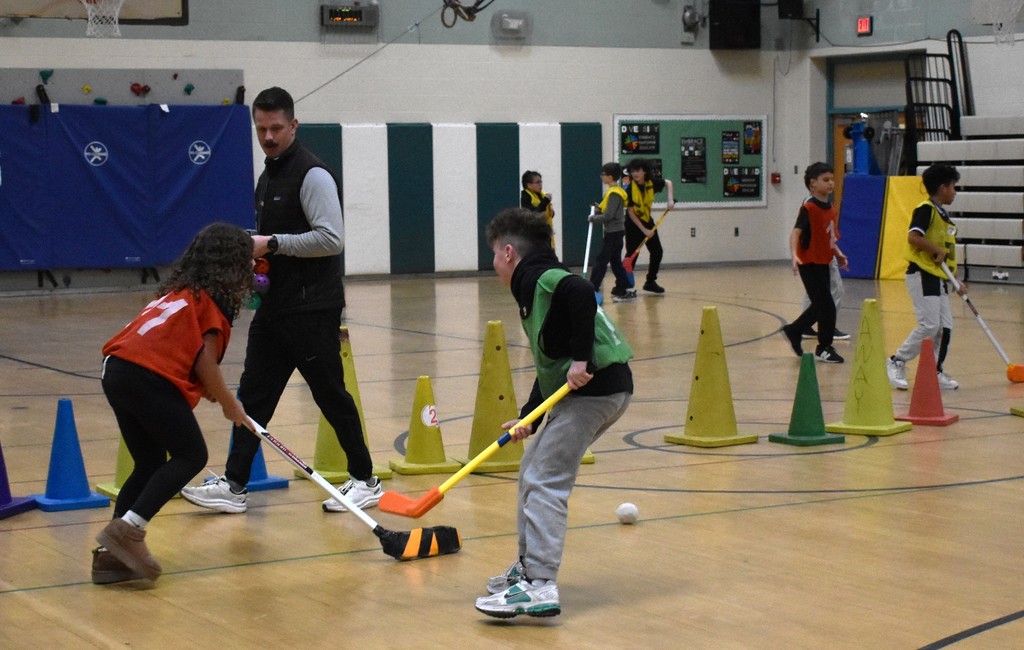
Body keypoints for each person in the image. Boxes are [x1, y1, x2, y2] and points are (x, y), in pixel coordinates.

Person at [180, 86, 381, 515]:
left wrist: (270, 243)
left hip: (312, 309)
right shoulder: (268, 176)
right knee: (253, 395)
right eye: (261, 129)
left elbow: (331, 239)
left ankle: (365, 480)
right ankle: (234, 485)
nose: (268, 136)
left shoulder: (313, 175)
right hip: (276, 309)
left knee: (330, 395)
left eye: (276, 128)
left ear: (293, 125)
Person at [475, 208, 633, 619]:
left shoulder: (539, 277)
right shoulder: (536, 285)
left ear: (509, 253)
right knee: (532, 468)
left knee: (545, 479)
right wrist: (530, 414)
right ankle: (527, 569)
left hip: (593, 393)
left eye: (493, 254)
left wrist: (582, 359)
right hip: (592, 393)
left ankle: (540, 585)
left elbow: (582, 292)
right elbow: (550, 365)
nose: (493, 264)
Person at [94, 222, 255, 584]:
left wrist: (211, 389)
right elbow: (205, 362)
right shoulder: (212, 305)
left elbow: (190, 358)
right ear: (234, 266)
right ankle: (129, 532)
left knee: (150, 462)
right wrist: (231, 404)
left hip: (116, 370)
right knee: (191, 456)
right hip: (145, 375)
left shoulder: (181, 293)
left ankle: (110, 557)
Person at [887, 164, 964, 391]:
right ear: (943, 187)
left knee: (945, 327)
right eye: (953, 187)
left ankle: (934, 370)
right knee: (930, 324)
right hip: (922, 275)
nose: (955, 191)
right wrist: (935, 249)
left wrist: (955, 281)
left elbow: (945, 256)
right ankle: (896, 360)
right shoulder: (926, 209)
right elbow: (913, 237)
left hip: (938, 278)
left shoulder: (943, 215)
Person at [781, 162, 848, 364]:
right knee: (826, 306)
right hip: (808, 262)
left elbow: (829, 237)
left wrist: (838, 253)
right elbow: (795, 233)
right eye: (825, 180)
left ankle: (794, 330)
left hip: (823, 261)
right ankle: (824, 347)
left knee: (822, 306)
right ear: (813, 184)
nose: (830, 184)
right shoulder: (809, 207)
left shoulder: (830, 209)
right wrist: (794, 255)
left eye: (831, 179)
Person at [624, 158, 674, 294]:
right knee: (632, 255)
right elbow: (631, 212)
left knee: (657, 251)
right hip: (633, 224)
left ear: (644, 171)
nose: (635, 174)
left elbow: (668, 183)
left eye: (638, 170)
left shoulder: (652, 183)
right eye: (633, 171)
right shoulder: (629, 189)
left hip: (647, 221)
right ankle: (626, 285)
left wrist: (670, 200)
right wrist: (644, 230)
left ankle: (650, 281)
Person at [588, 162, 634, 302]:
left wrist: (593, 218)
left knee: (601, 260)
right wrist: (597, 207)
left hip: (614, 233)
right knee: (615, 262)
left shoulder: (614, 193)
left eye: (603, 174)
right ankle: (625, 287)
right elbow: (606, 209)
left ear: (610, 176)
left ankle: (592, 288)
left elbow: (609, 216)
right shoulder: (612, 191)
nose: (601, 177)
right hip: (614, 232)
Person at [520, 170, 555, 248]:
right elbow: (534, 213)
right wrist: (545, 201)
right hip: (534, 234)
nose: (540, 185)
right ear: (529, 185)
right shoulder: (525, 197)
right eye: (537, 182)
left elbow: (548, 211)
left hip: (546, 231)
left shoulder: (542, 194)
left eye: (541, 182)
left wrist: (551, 212)